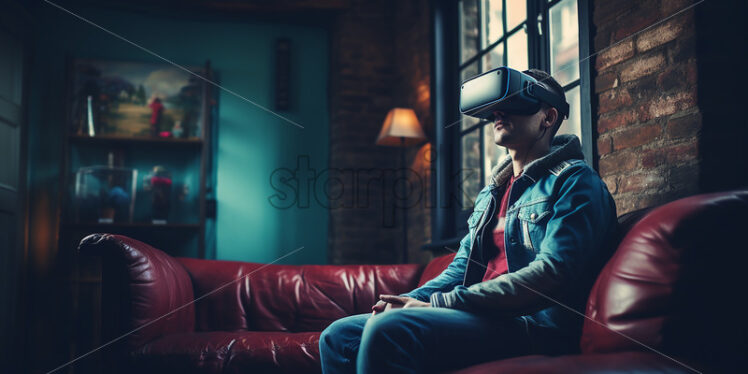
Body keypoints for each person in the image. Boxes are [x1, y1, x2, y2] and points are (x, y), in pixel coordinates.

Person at [319, 68, 619, 374]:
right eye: (495, 107)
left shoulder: (576, 182)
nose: (498, 113)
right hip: (482, 316)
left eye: (514, 103)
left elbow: (551, 274)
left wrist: (439, 305)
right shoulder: (492, 193)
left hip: (534, 327)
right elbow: (461, 268)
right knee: (339, 336)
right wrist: (405, 301)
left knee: (390, 329)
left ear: (549, 117)